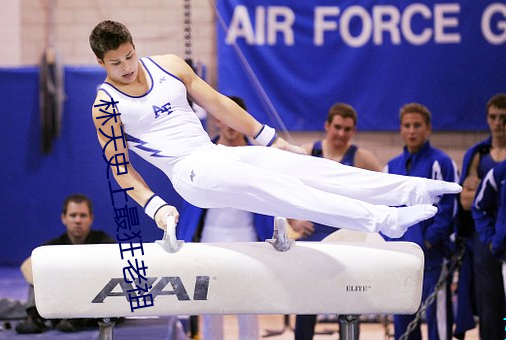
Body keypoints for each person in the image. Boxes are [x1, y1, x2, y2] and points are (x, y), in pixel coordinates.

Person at [89, 20, 460, 247]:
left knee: (308, 168)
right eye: (115, 63)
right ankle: (383, 220)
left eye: (129, 56)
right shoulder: (106, 106)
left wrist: (270, 138)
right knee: (284, 191)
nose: (125, 67)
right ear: (101, 63)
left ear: (135, 46)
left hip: (216, 156)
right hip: (189, 174)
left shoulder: (168, 65)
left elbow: (219, 103)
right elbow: (121, 170)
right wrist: (156, 207)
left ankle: (409, 189)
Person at [177, 96, 274, 340]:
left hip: (250, 239)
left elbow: (271, 199)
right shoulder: (200, 154)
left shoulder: (258, 159)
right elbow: (188, 198)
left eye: (235, 120)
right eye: (225, 119)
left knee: (249, 306)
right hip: (210, 238)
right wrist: (183, 238)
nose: (231, 126)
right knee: (211, 305)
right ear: (217, 120)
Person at [292, 102, 382, 340]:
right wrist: (293, 220)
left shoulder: (362, 158)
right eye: (338, 127)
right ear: (327, 126)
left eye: (347, 129)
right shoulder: (307, 152)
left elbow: (385, 192)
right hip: (313, 235)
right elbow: (281, 189)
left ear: (353, 131)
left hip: (347, 239)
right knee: (306, 302)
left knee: (350, 300)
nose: (342, 134)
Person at [383, 103, 458, 340]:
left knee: (438, 320)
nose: (412, 131)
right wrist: (391, 243)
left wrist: (428, 241)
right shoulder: (391, 167)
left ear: (428, 129)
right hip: (401, 259)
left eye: (417, 125)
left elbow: (448, 209)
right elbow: (384, 209)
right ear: (401, 130)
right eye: (407, 126)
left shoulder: (441, 163)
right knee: (403, 321)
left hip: (432, 257)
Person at [15, 194, 115, 334]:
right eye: (73, 215)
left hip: (92, 301)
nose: (78, 220)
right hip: (61, 298)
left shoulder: (104, 242)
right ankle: (34, 318)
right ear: (64, 218)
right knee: (38, 270)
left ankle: (76, 319)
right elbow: (26, 266)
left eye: (83, 215)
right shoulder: (54, 246)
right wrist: (56, 284)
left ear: (91, 218)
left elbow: (115, 269)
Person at [456, 93, 506, 340]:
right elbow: (465, 202)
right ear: (487, 119)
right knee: (489, 304)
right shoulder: (478, 154)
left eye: (503, 118)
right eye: (493, 117)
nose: (498, 123)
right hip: (485, 238)